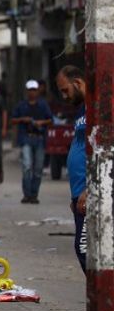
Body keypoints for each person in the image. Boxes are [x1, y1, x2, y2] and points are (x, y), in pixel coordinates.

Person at [55, 65, 88, 270]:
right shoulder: (82, 110)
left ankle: (103, 300)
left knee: (84, 249)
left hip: (91, 192)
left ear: (77, 83)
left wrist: (90, 190)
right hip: (80, 194)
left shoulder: (99, 106)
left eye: (65, 90)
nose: (64, 96)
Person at [10, 79, 53, 204]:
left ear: (37, 91)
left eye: (34, 90)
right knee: (27, 166)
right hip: (26, 138)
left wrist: (41, 122)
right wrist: (23, 119)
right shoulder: (21, 105)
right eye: (30, 90)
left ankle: (34, 195)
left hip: (39, 138)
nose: (32, 92)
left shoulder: (43, 105)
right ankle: (27, 194)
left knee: (38, 169)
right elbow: (13, 120)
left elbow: (50, 120)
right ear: (27, 91)